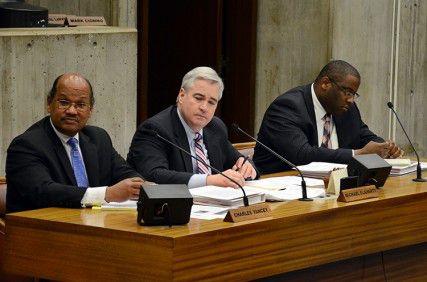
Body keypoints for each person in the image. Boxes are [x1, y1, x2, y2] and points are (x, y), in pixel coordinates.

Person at [6, 73, 144, 212]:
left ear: (90, 110)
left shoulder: (98, 138)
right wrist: (107, 194)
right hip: (41, 229)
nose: (72, 111)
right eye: (64, 102)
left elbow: (125, 173)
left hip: (92, 224)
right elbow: (43, 192)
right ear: (49, 103)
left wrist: (143, 186)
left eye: (80, 105)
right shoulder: (26, 145)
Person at [253, 60, 403, 174]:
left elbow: (363, 136)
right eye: (347, 92)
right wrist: (357, 154)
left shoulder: (346, 108)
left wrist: (384, 147)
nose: (351, 100)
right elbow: (301, 154)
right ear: (325, 83)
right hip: (282, 187)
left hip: (332, 187)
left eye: (353, 94)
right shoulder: (287, 107)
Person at [127, 66, 257, 188]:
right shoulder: (155, 129)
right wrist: (209, 180)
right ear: (182, 96)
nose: (204, 107)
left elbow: (240, 160)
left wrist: (247, 167)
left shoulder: (215, 127)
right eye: (199, 98)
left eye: (211, 102)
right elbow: (154, 175)